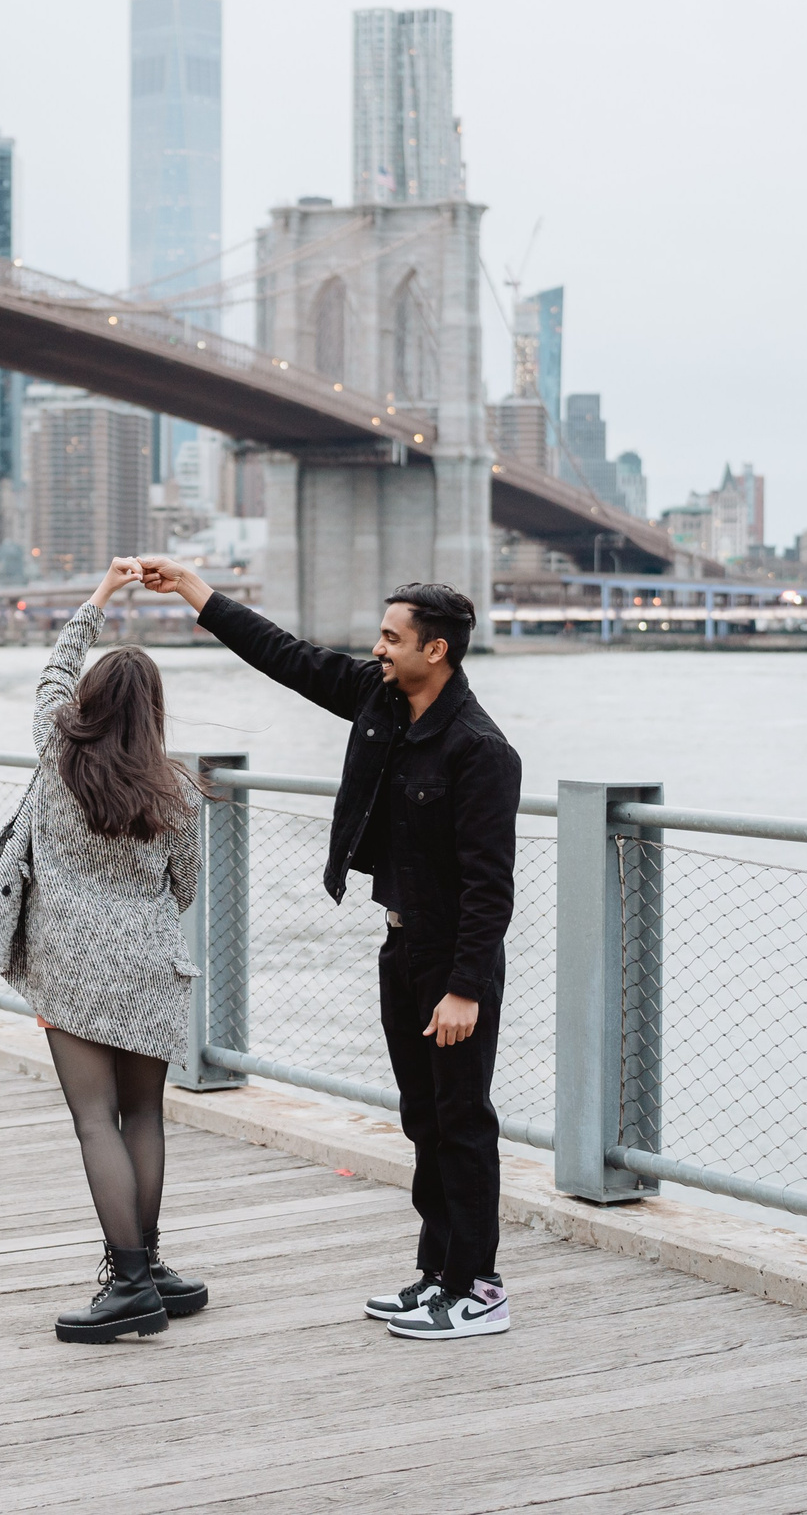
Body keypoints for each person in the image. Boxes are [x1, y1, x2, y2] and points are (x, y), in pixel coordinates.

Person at [136, 558, 522, 1341]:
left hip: (453, 963)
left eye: (391, 637)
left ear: (435, 651)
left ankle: (478, 1287)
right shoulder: (380, 702)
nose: (377, 648)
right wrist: (193, 591)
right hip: (400, 946)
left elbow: (492, 887)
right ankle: (435, 1275)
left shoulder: (481, 751)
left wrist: (466, 988)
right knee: (422, 1118)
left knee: (463, 1121)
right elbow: (286, 655)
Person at [0, 558, 208, 1344]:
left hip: (69, 968)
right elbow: (185, 887)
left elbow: (52, 673)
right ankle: (150, 1264)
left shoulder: (56, 753)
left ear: (92, 703)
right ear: (156, 712)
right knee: (144, 1118)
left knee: (95, 1121)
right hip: (151, 966)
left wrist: (103, 593)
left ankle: (129, 1284)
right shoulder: (178, 790)